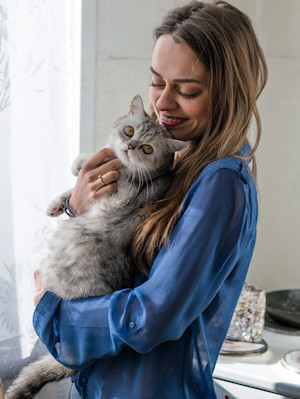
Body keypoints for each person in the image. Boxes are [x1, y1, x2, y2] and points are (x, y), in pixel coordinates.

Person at [33, 1, 267, 398]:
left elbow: (153, 314)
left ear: (228, 94)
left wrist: (53, 311)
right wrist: (80, 208)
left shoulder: (221, 182)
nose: (162, 103)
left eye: (188, 90)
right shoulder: (173, 162)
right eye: (157, 82)